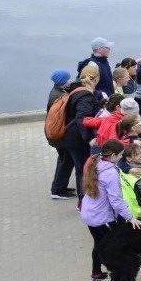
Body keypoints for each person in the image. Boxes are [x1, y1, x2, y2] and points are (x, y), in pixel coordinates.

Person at [80, 140, 141, 281]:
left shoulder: (96, 162)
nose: (122, 157)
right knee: (114, 249)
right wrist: (130, 217)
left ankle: (96, 275)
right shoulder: (110, 173)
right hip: (102, 218)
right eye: (121, 155)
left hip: (89, 214)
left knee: (99, 244)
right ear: (114, 155)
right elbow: (116, 200)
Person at [64, 66, 103, 201]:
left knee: (80, 169)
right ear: (96, 78)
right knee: (83, 170)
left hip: (71, 136)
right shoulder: (85, 95)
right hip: (78, 139)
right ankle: (84, 201)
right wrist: (90, 138)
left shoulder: (76, 89)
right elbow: (82, 118)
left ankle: (84, 200)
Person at [47, 69, 78, 200]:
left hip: (55, 134)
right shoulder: (58, 97)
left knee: (64, 160)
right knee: (66, 161)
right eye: (67, 79)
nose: (70, 81)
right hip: (59, 134)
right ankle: (58, 190)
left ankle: (60, 186)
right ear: (62, 82)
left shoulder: (58, 91)